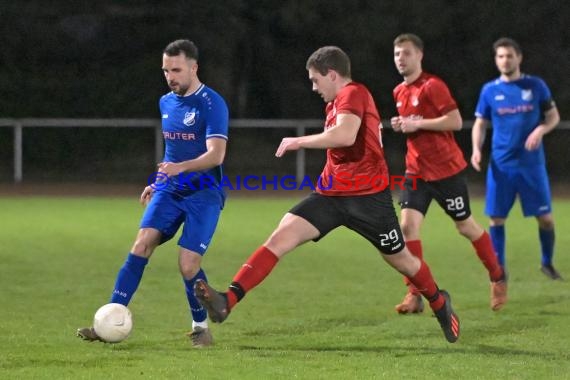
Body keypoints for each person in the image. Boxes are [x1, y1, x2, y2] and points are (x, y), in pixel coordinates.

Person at [194, 46, 460, 343]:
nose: (313, 87)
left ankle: (439, 303)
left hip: (369, 199)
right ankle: (227, 300)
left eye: (315, 80)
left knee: (403, 261)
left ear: (331, 74)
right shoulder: (334, 103)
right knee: (280, 237)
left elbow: (345, 135)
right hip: (330, 195)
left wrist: (299, 141)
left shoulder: (354, 93)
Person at [77, 39, 229, 347]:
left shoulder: (212, 103)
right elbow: (172, 152)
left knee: (188, 264)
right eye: (165, 70)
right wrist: (160, 180)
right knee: (141, 244)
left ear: (193, 68)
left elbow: (216, 155)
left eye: (176, 70)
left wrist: (180, 168)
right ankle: (109, 319)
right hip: (170, 189)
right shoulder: (166, 102)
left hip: (204, 193)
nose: (170, 76)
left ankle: (202, 328)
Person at [390, 33, 507, 313]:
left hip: (446, 172)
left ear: (420, 55)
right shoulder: (399, 91)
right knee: (407, 228)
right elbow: (413, 126)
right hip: (416, 172)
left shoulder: (433, 85)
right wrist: (403, 125)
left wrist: (417, 124)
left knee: (465, 226)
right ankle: (414, 294)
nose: (401, 59)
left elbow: (454, 121)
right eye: (396, 54)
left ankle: (496, 275)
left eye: (406, 53)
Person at [471, 37, 562, 280]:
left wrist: (540, 129)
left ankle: (547, 262)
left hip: (531, 165)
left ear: (519, 58)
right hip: (501, 165)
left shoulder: (535, 86)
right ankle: (499, 270)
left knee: (546, 219)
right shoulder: (489, 90)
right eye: (500, 56)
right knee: (497, 218)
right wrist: (476, 149)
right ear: (496, 60)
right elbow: (480, 124)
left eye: (509, 55)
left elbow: (553, 116)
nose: (505, 60)